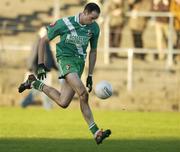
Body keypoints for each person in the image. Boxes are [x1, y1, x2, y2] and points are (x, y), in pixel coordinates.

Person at [18, 3, 111, 145]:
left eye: (95, 19)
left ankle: (33, 82)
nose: (93, 21)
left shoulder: (94, 28)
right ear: (85, 12)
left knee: (63, 102)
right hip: (66, 61)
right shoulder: (64, 23)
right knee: (83, 94)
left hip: (79, 64)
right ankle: (96, 132)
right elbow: (43, 41)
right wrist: (41, 64)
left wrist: (90, 75)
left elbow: (93, 51)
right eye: (91, 18)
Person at [20, 26, 58, 110]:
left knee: (41, 89)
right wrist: (30, 67)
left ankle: (25, 104)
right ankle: (46, 107)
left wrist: (56, 67)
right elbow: (33, 55)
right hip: (39, 71)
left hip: (46, 71)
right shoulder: (38, 41)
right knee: (43, 90)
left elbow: (50, 57)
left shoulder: (46, 42)